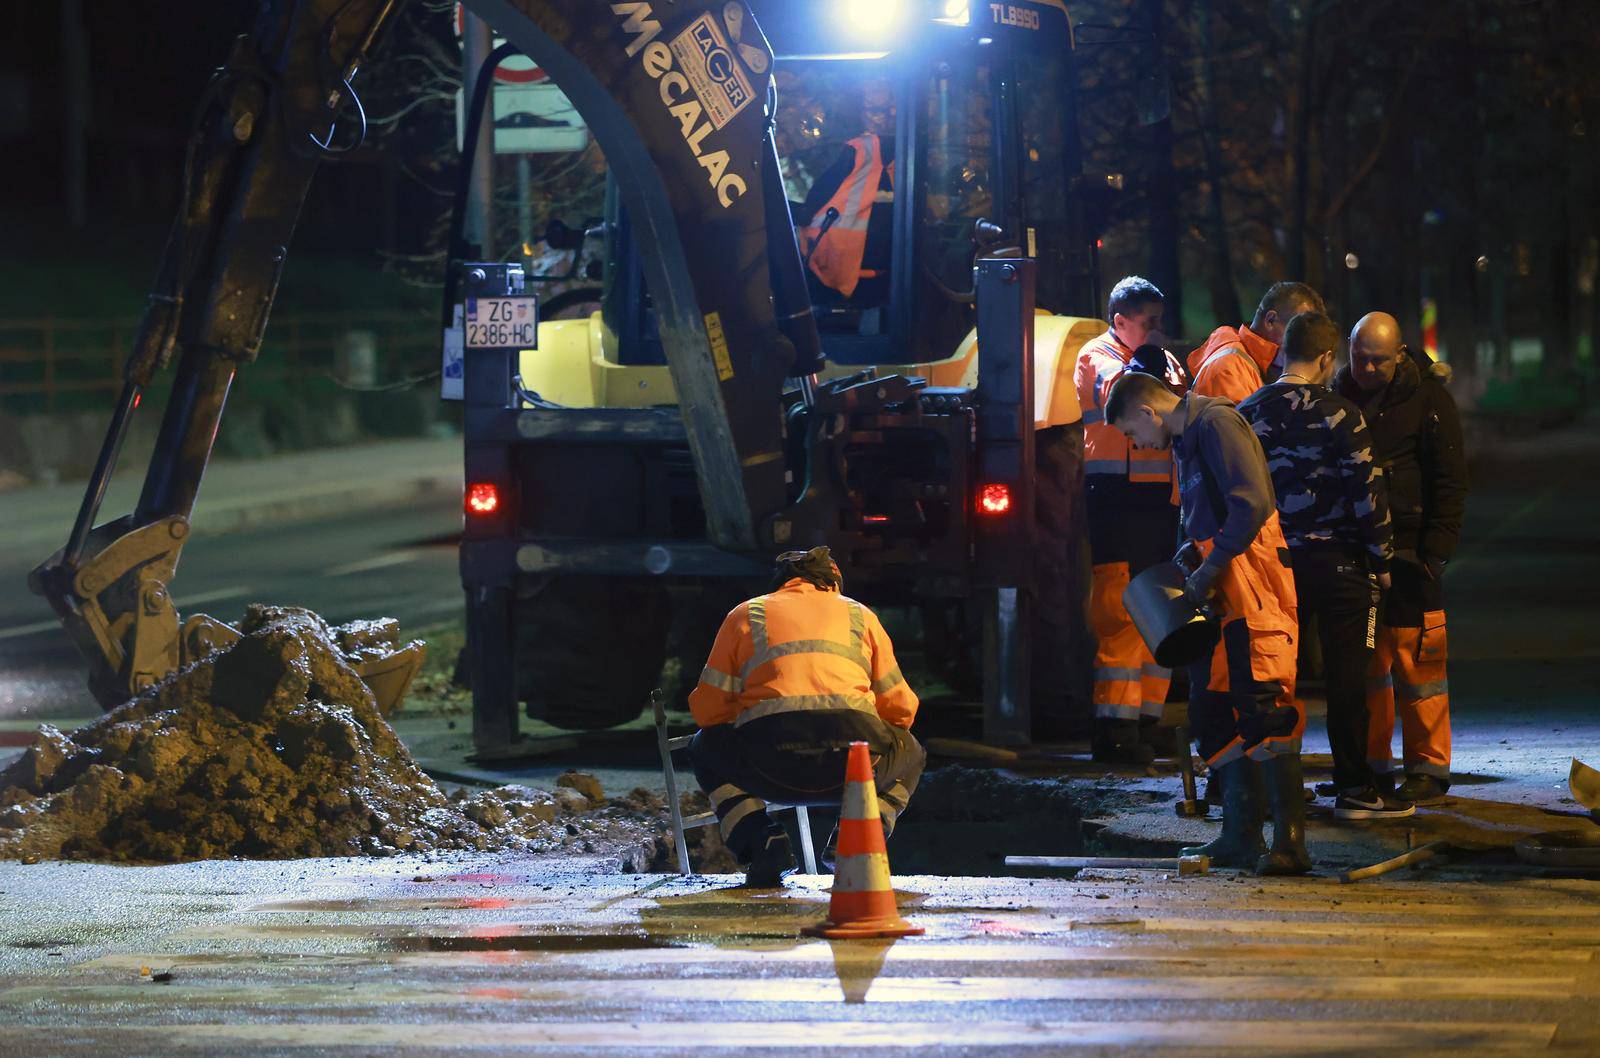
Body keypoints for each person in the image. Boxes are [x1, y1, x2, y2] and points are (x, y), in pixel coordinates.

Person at [1106, 370, 1309, 875]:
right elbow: (1210, 515)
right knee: (1211, 712)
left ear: (1149, 412)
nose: (1138, 444)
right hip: (1221, 598)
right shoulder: (1189, 440)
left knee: (1264, 710)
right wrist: (1193, 556)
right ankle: (1240, 836)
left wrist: (1211, 565)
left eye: (1133, 433)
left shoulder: (1217, 423)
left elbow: (1252, 503)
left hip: (1253, 591)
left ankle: (1290, 844)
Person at [1238, 312, 1413, 820]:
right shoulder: (1342, 415)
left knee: (1273, 678)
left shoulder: (1248, 413)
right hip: (1341, 567)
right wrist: (1382, 561)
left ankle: (1274, 787)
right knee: (1347, 681)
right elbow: (1366, 493)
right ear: (1326, 358)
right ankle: (1355, 789)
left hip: (1273, 568)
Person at [686, 547, 925, 885]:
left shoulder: (746, 614)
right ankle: (854, 842)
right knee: (910, 752)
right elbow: (902, 710)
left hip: (768, 767)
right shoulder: (860, 615)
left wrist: (750, 710)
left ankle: (764, 843)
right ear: (833, 583)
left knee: (704, 747)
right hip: (853, 768)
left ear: (780, 584)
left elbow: (707, 712)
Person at [1337, 312, 1467, 805]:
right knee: (1368, 668)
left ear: (1399, 355)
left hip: (1412, 554)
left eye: (1379, 361)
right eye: (1360, 358)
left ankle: (1428, 768)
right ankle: (1374, 767)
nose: (1367, 369)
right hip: (1357, 552)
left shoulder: (1429, 399)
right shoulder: (1338, 396)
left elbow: (1450, 479)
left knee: (1420, 666)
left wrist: (1436, 551)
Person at [1073, 277, 1188, 762]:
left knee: (1160, 607)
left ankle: (1147, 719)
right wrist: (1155, 361)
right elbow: (1124, 393)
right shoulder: (1095, 355)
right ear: (1121, 322)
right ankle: (1114, 728)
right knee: (1120, 612)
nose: (1159, 330)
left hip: (1161, 502)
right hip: (1116, 501)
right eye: (1149, 322)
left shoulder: (1160, 355)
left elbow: (1180, 401)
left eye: (1160, 320)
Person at [796, 80, 896, 305]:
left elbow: (811, 202)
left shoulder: (858, 149)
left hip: (837, 269)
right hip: (873, 274)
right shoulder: (898, 150)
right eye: (878, 110)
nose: (887, 115)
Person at [1188, 283, 1326, 403]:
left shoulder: (1251, 365)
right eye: (1297, 332)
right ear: (1270, 321)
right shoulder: (1228, 371)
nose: (1303, 345)